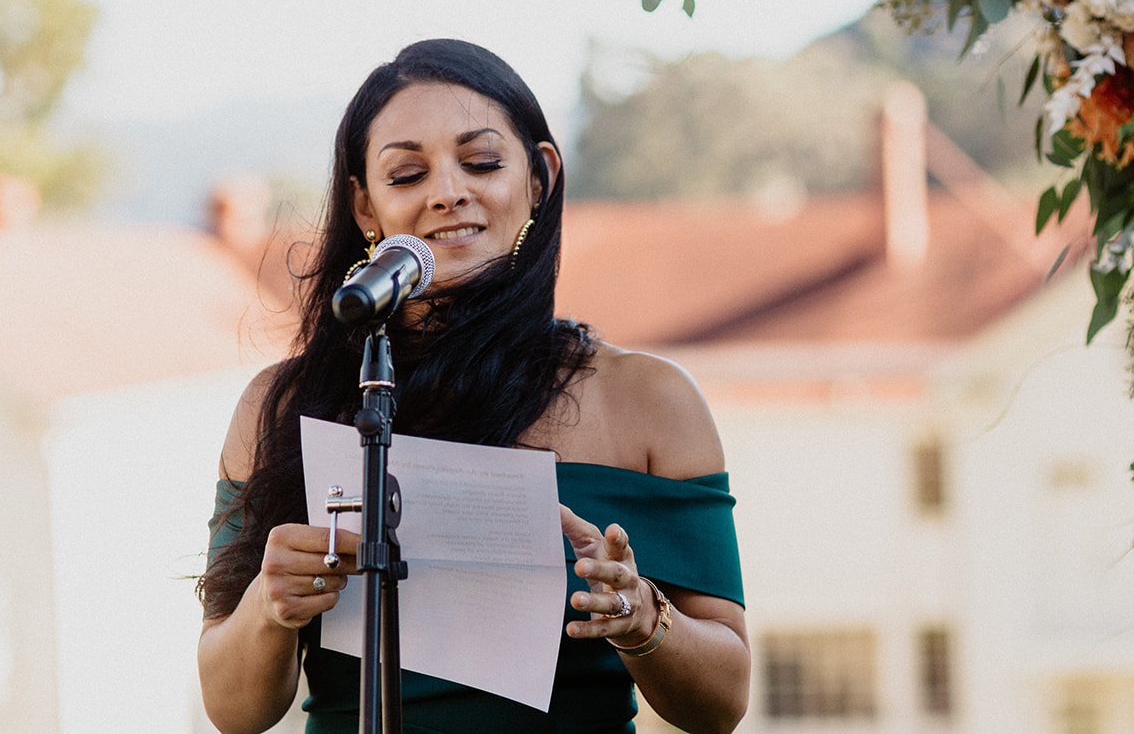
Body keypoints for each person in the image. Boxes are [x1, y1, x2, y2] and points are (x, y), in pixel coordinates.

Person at [197, 39, 748, 734]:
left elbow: (723, 700)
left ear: (539, 177)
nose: (448, 190)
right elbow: (232, 709)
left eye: (481, 161)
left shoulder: (650, 401)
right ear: (364, 207)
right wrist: (266, 609)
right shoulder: (277, 409)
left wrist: (642, 615)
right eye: (406, 174)